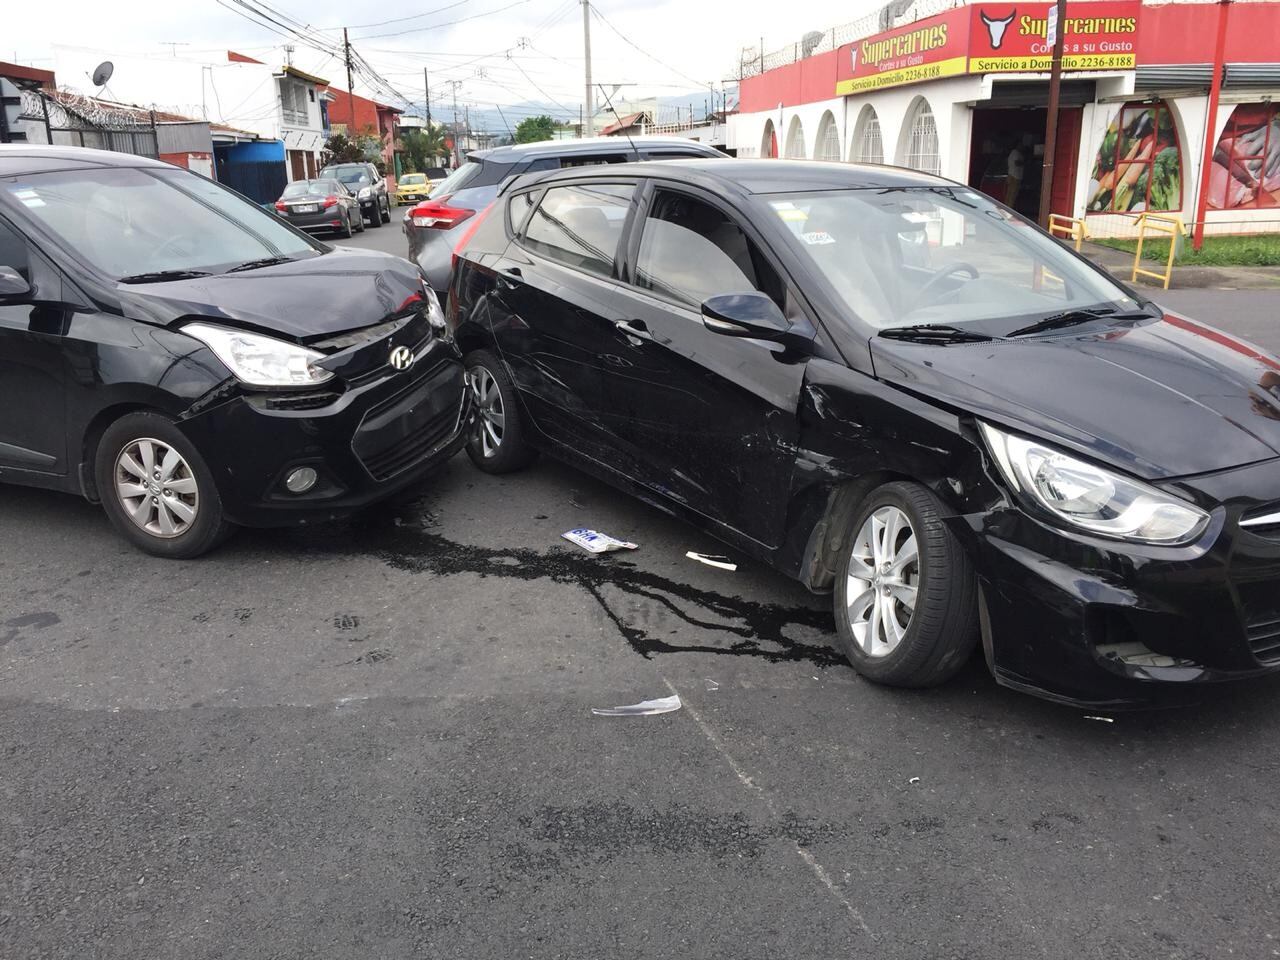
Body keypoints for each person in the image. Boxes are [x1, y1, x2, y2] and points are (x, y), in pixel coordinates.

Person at [1005, 139, 1025, 207]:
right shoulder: (1015, 152)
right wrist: (1025, 162)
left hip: (1012, 175)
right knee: (1012, 195)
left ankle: (1007, 209)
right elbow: (1016, 163)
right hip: (1015, 176)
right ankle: (1009, 211)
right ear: (1018, 145)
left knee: (1009, 195)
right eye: (1021, 145)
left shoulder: (1014, 153)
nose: (1022, 146)